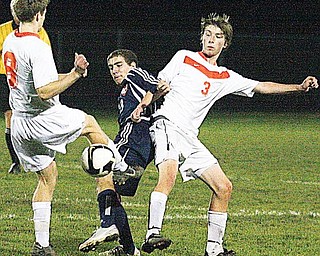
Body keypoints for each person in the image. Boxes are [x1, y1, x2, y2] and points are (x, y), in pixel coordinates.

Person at [139, 13, 319, 256]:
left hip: (190, 137)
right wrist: (147, 101)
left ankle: (213, 249)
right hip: (168, 124)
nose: (211, 40)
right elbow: (158, 84)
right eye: (208, 35)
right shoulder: (184, 57)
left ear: (225, 43)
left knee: (223, 187)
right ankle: (152, 233)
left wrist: (298, 87)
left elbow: (260, 86)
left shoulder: (225, 76)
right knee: (168, 176)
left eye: (218, 37)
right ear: (201, 38)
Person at [3, 1, 134, 255]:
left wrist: (73, 71)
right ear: (40, 14)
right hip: (42, 118)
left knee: (47, 176)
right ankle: (121, 167)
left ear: (16, 15)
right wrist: (74, 76)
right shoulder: (37, 46)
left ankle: (41, 245)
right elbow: (43, 91)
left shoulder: (11, 40)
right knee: (90, 124)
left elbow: (38, 82)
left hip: (20, 123)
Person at [79, 49, 169, 256]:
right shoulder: (128, 90)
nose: (115, 71)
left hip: (132, 141)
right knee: (113, 189)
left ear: (132, 66)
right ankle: (128, 249)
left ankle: (108, 224)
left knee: (104, 177)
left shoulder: (134, 76)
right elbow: (153, 92)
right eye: (111, 67)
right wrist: (147, 100)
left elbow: (154, 83)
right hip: (140, 144)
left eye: (119, 65)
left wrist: (156, 87)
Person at [0, 4, 51, 174]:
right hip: (7, 78)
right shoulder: (4, 31)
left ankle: (43, 155)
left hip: (30, 79)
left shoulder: (40, 32)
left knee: (39, 117)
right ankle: (16, 161)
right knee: (11, 117)